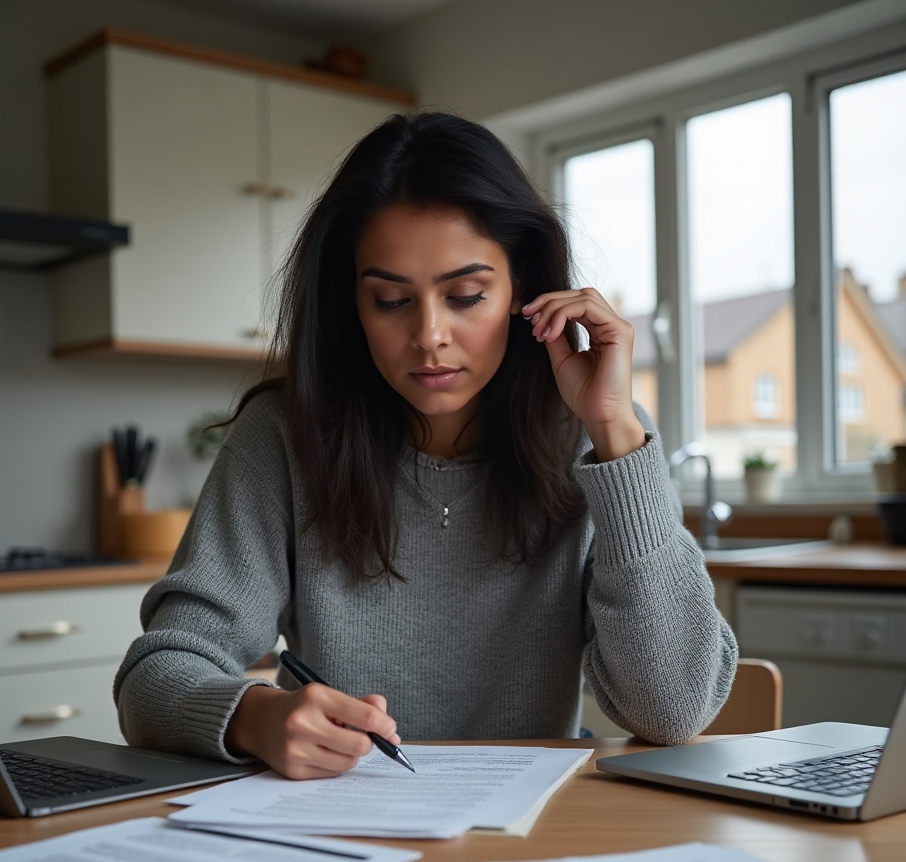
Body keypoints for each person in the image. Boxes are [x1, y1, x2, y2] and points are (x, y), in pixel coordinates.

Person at [115, 112, 737, 780]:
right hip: (339, 831)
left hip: (535, 835)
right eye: (390, 300)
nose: (429, 335)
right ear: (350, 303)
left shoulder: (590, 435)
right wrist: (253, 715)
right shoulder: (284, 438)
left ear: (522, 287)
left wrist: (615, 429)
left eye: (466, 295)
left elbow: (674, 709)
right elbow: (154, 675)